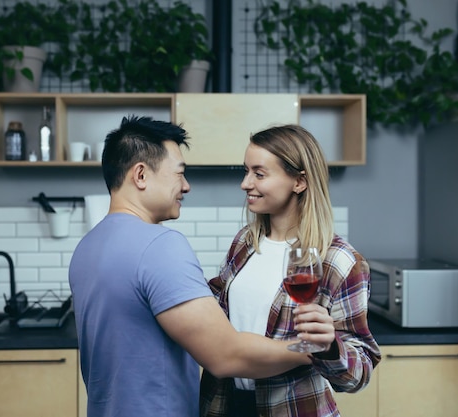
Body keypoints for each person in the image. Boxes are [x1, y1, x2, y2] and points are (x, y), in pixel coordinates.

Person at [69, 116, 321, 417]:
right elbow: (226, 356)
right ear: (140, 175)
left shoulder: (87, 247)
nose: (186, 186)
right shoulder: (160, 246)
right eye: (179, 173)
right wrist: (311, 350)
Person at [200, 124, 382, 417]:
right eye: (245, 171)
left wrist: (329, 347)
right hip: (225, 405)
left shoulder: (340, 261)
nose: (245, 183)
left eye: (259, 174)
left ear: (299, 182)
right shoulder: (244, 243)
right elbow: (212, 312)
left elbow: (359, 375)